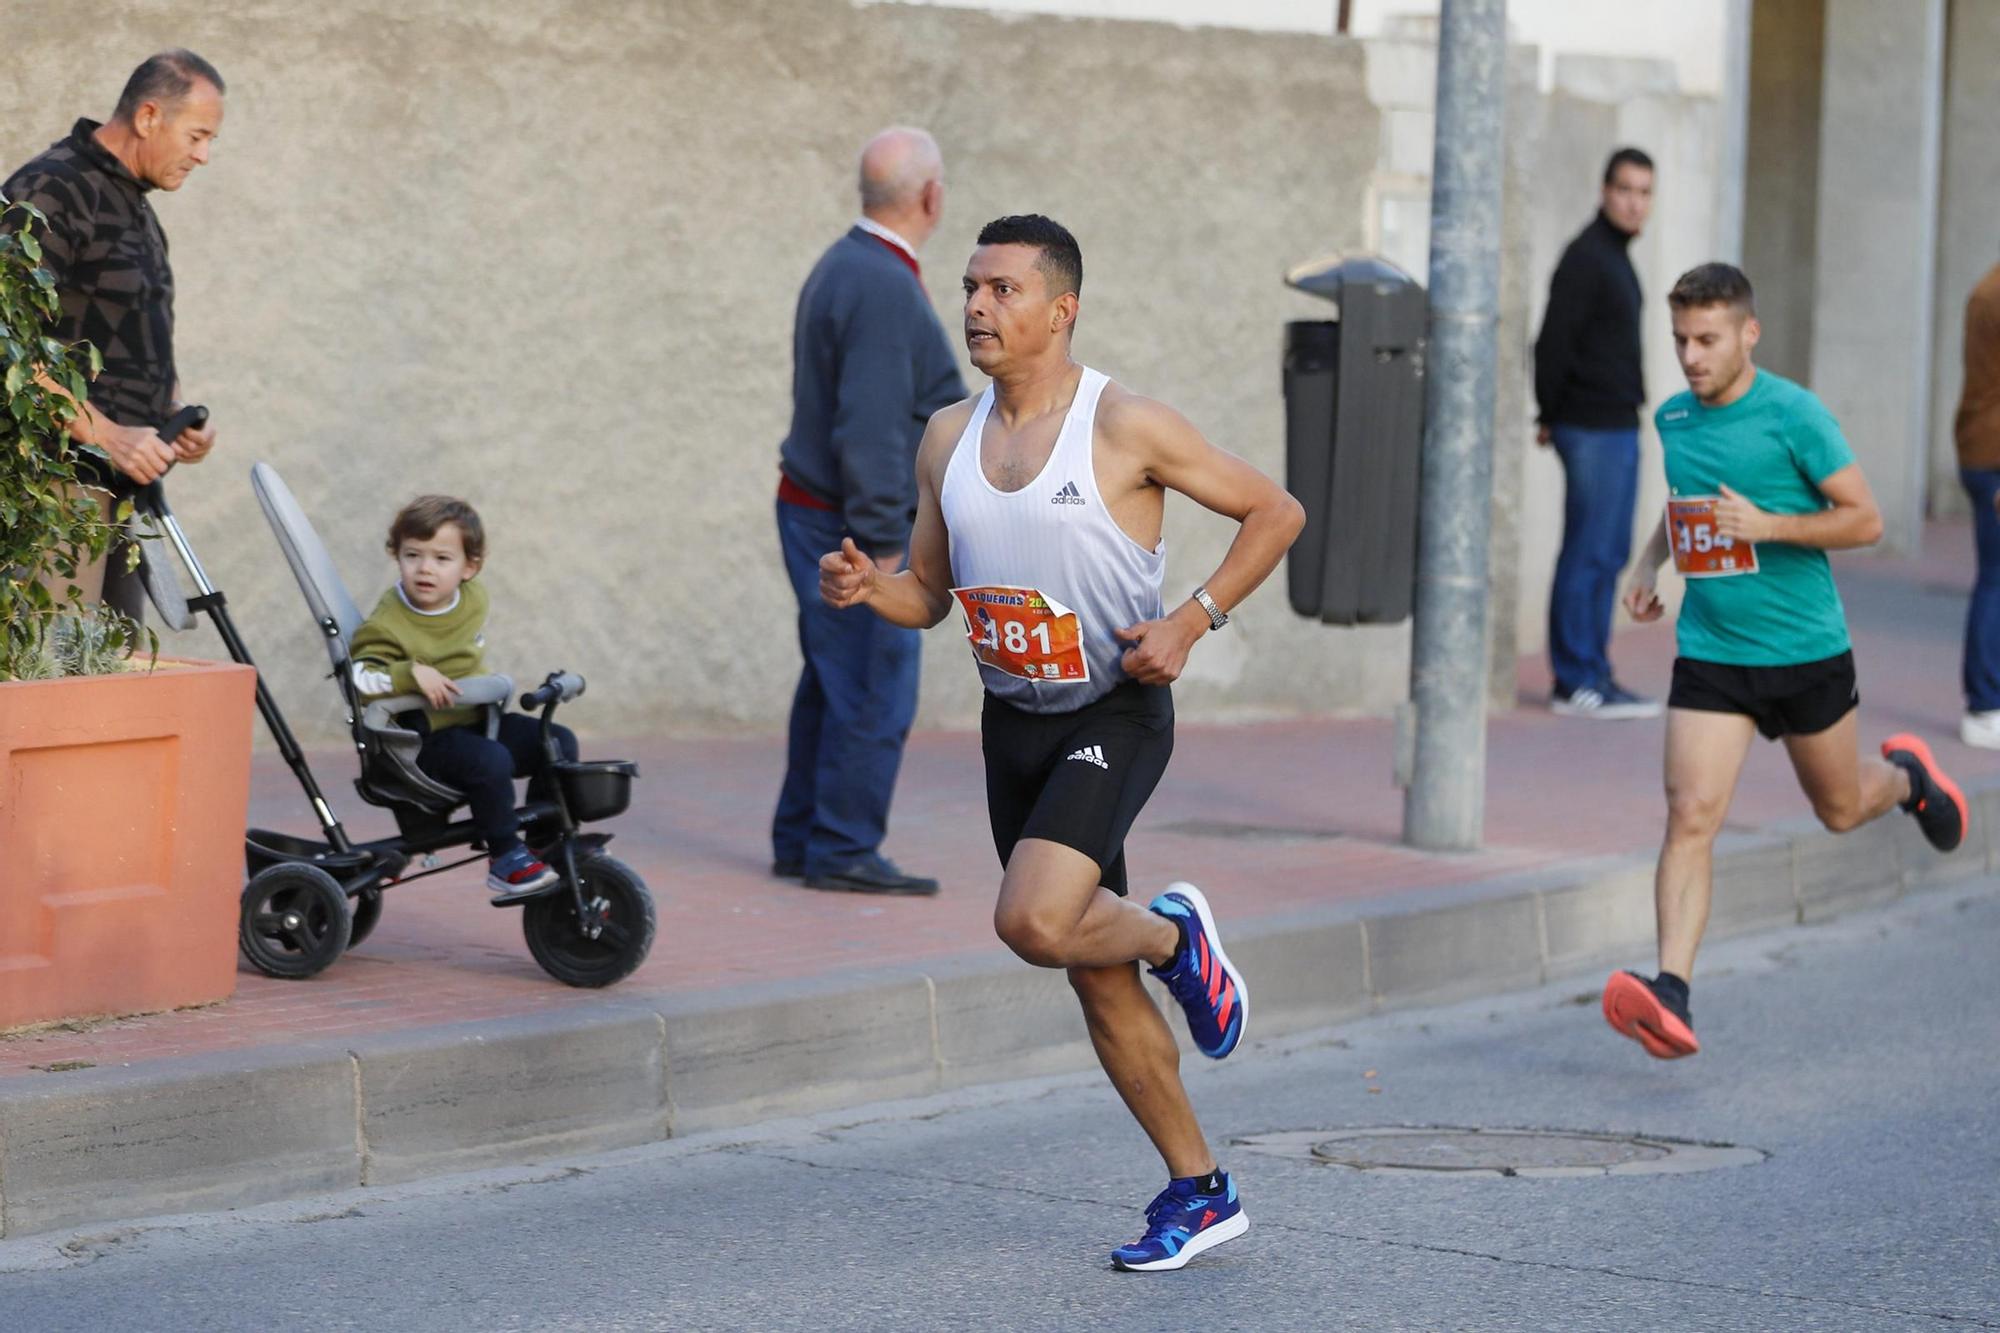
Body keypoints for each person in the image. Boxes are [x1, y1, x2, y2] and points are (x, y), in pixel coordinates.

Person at [819, 215, 1304, 1270]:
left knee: (1035, 921)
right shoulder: (945, 436)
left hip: (1111, 711)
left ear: (1059, 308)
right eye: (969, 288)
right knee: (1091, 971)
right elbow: (931, 595)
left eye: (1000, 290)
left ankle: (1175, 936)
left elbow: (1274, 511)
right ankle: (1199, 1189)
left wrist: (1188, 620)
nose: (976, 308)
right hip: (1014, 726)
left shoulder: (1123, 424)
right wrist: (870, 591)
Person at [1605, 263, 1966, 1060]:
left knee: (1839, 808)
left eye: (1707, 339)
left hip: (1805, 651)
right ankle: (1673, 992)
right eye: (1680, 340)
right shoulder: (1676, 418)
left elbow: (1865, 519)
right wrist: (1646, 566)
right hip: (1712, 650)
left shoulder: (1796, 416)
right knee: (1690, 814)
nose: (1692, 357)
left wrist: (1769, 526)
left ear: (1747, 334)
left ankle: (1907, 778)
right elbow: (1685, 507)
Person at [771, 127, 966, 897]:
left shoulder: (848, 263)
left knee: (834, 678)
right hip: (853, 523)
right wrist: (887, 545)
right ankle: (844, 846)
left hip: (822, 509)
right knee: (874, 683)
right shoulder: (881, 282)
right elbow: (871, 426)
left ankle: (804, 837)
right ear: (931, 196)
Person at [2, 50, 226, 621]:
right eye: (197, 135)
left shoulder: (136, 208)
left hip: (115, 495)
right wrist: (105, 434)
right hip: (51, 495)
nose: (203, 156)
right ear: (149, 116)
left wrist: (169, 413)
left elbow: (125, 328)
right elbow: (7, 342)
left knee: (112, 682)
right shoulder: (51, 188)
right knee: (52, 679)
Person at [349, 496, 579, 900]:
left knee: (557, 742)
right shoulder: (389, 620)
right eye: (412, 555)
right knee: (491, 761)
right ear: (396, 556)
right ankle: (505, 858)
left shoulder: (473, 599)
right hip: (422, 740)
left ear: (468, 569)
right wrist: (409, 673)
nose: (424, 568)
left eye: (442, 558)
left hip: (474, 720)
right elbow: (361, 677)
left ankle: (543, 844)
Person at [1534, 146, 1661, 720]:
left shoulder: (1616, 257)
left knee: (1607, 553)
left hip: (1616, 426)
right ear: (1605, 192)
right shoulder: (1586, 257)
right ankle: (1573, 680)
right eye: (1625, 190)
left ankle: (1595, 674)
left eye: (1644, 192)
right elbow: (1553, 342)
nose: (1635, 202)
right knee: (1587, 552)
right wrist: (1550, 413)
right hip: (1589, 427)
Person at [1954, 259, 2000, 748]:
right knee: (1995, 578)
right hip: (1993, 454)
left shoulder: (1986, 286)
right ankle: (1985, 704)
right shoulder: (1994, 293)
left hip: (1983, 447)